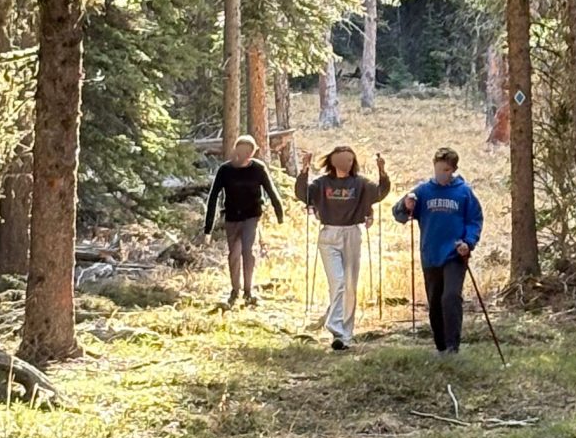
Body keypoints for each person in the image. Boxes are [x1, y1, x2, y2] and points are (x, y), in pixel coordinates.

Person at [294, 143, 391, 350]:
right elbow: (303, 194)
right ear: (332, 161)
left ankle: (345, 335)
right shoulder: (322, 183)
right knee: (337, 282)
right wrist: (304, 169)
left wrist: (382, 171)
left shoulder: (360, 183)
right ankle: (336, 328)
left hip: (352, 233)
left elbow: (380, 193)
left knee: (349, 285)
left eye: (349, 159)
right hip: (329, 233)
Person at [393, 147, 483, 356]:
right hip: (430, 254)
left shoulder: (464, 192)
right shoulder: (423, 191)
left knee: (450, 297)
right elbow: (399, 214)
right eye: (439, 169)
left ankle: (453, 346)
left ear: (453, 170)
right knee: (434, 301)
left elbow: (475, 220)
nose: (442, 174)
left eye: (446, 170)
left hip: (454, 255)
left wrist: (468, 243)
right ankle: (441, 346)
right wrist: (406, 206)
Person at [203, 134, 283, 305]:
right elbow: (213, 197)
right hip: (232, 217)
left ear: (253, 152)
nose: (246, 155)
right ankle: (235, 290)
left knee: (248, 251)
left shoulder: (258, 168)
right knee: (234, 253)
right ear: (236, 151)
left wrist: (279, 213)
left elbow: (271, 190)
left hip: (251, 216)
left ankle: (248, 290)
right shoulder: (225, 170)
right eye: (243, 151)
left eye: (249, 152)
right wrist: (208, 228)